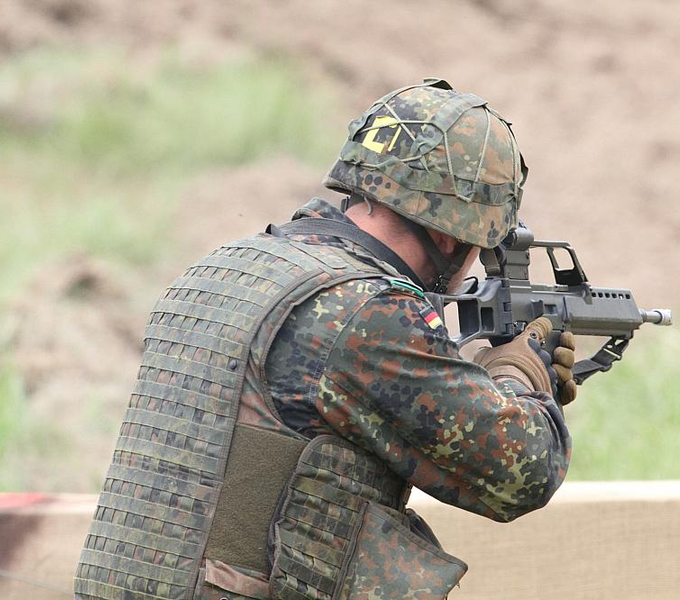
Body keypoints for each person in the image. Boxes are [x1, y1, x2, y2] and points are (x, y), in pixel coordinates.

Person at [74, 78, 577, 600]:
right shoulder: (368, 312)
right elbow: (521, 471)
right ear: (451, 234)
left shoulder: (225, 268)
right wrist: (518, 372)